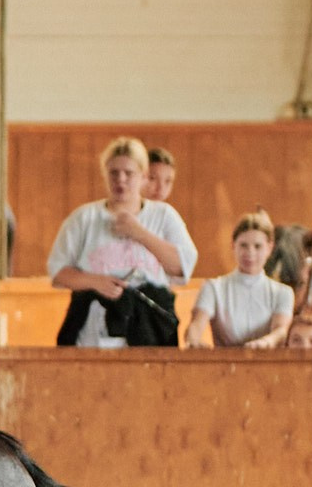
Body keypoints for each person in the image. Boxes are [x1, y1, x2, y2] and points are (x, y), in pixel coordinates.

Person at [46, 136, 198, 346]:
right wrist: (95, 282)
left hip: (149, 322)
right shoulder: (83, 218)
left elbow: (181, 267)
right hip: (94, 325)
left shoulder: (164, 216)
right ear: (105, 174)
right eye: (114, 173)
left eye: (129, 173)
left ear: (144, 177)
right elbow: (58, 273)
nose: (121, 180)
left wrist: (140, 233)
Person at [185, 211, 294, 348]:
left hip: (267, 363)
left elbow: (281, 330)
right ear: (233, 245)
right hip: (224, 365)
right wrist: (193, 341)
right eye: (243, 245)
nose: (250, 253)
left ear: (269, 248)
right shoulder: (214, 287)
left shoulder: (283, 292)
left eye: (257, 246)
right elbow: (196, 324)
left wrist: (264, 343)